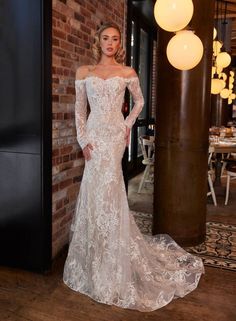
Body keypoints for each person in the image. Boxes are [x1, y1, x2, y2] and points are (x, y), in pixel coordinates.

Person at [63, 22, 204, 312]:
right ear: (98, 40)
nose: (110, 43)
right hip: (92, 136)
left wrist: (126, 126)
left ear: (119, 43)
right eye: (106, 38)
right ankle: (93, 259)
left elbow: (139, 102)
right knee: (93, 191)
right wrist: (82, 140)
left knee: (111, 189)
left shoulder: (127, 72)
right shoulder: (84, 72)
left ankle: (113, 262)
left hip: (114, 137)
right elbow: (79, 109)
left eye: (115, 39)